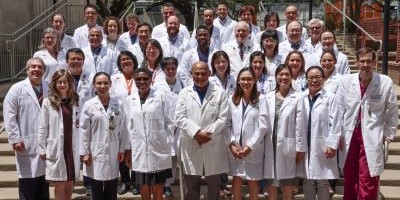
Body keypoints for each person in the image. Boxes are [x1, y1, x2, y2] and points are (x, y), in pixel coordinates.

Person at [335, 47, 398, 199]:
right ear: (356, 63)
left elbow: (392, 110)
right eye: (362, 61)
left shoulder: (384, 82)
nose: (365, 65)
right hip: (350, 135)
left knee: (368, 178)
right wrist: (336, 136)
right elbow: (337, 110)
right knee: (350, 178)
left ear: (374, 62)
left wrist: (389, 134)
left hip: (371, 136)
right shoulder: (346, 81)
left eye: (369, 61)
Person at [175, 61, 230, 200]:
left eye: (203, 73)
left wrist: (205, 135)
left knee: (214, 189)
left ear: (210, 73)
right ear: (191, 74)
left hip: (213, 144)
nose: (200, 76)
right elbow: (180, 118)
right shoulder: (184, 93)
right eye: (196, 73)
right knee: (192, 189)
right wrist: (197, 134)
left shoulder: (219, 92)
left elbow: (222, 119)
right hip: (191, 144)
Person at [124, 67, 174, 200]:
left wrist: (167, 141)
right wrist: (128, 149)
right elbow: (128, 127)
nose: (142, 82)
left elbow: (170, 121)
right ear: (134, 81)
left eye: (145, 79)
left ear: (151, 80)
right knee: (143, 184)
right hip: (138, 149)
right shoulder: (129, 100)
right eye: (138, 79)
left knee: (158, 184)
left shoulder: (161, 96)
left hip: (159, 148)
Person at [3, 57, 50, 200]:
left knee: (43, 183)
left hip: (44, 142)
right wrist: (15, 138)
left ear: (44, 70)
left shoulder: (48, 87)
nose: (36, 70)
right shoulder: (16, 89)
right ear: (27, 70)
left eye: (39, 67)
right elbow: (9, 115)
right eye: (33, 67)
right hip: (25, 141)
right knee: (28, 184)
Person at [79, 72, 127, 200]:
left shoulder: (119, 104)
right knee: (96, 189)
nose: (102, 86)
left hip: (113, 150)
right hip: (94, 152)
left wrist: (122, 149)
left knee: (112, 189)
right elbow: (84, 130)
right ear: (94, 85)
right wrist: (84, 152)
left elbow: (122, 129)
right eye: (99, 83)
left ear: (110, 84)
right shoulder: (89, 105)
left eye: (105, 83)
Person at [296, 66, 340, 200]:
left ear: (323, 79)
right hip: (305, 143)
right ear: (306, 80)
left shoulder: (331, 98)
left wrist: (332, 145)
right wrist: (298, 146)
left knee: (322, 180)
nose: (314, 80)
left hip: (323, 144)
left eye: (317, 77)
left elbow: (336, 123)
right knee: (307, 179)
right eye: (311, 78)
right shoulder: (301, 97)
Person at [260, 64, 302, 200]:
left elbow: (300, 125)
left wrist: (300, 148)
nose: (284, 77)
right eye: (281, 74)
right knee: (271, 183)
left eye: (287, 75)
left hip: (288, 145)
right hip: (269, 144)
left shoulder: (298, 97)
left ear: (291, 77)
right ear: (276, 77)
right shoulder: (267, 97)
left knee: (287, 183)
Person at [37, 69, 80, 200]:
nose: (62, 85)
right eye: (59, 82)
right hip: (56, 147)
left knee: (69, 182)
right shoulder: (48, 102)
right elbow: (43, 127)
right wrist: (41, 147)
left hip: (71, 148)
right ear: (55, 84)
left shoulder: (75, 101)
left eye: (65, 82)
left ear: (70, 84)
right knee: (60, 184)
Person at [228, 67, 263, 200]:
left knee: (252, 180)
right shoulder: (232, 99)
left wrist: (250, 146)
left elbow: (263, 127)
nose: (245, 82)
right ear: (237, 81)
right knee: (236, 178)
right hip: (236, 148)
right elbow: (227, 125)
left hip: (253, 148)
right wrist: (231, 144)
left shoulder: (262, 99)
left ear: (254, 81)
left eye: (249, 79)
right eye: (242, 79)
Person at [152, 57, 184, 197]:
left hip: (179, 127)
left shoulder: (182, 85)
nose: (171, 71)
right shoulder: (157, 86)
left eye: (173, 68)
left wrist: (178, 123)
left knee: (176, 156)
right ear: (163, 70)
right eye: (168, 69)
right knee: (165, 156)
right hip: (163, 127)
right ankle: (164, 184)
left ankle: (171, 183)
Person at [109, 50, 139, 195]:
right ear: (119, 64)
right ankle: (125, 181)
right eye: (122, 60)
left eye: (128, 59)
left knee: (136, 149)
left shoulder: (140, 77)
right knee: (121, 148)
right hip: (119, 119)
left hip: (137, 118)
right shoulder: (114, 79)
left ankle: (136, 181)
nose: (126, 61)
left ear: (133, 61)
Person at [65, 48, 94, 195]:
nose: (76, 61)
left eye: (79, 59)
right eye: (73, 59)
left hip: (86, 122)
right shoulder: (62, 78)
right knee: (69, 153)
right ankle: (70, 182)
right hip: (67, 123)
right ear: (66, 61)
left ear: (83, 61)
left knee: (87, 152)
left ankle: (89, 184)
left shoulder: (90, 78)